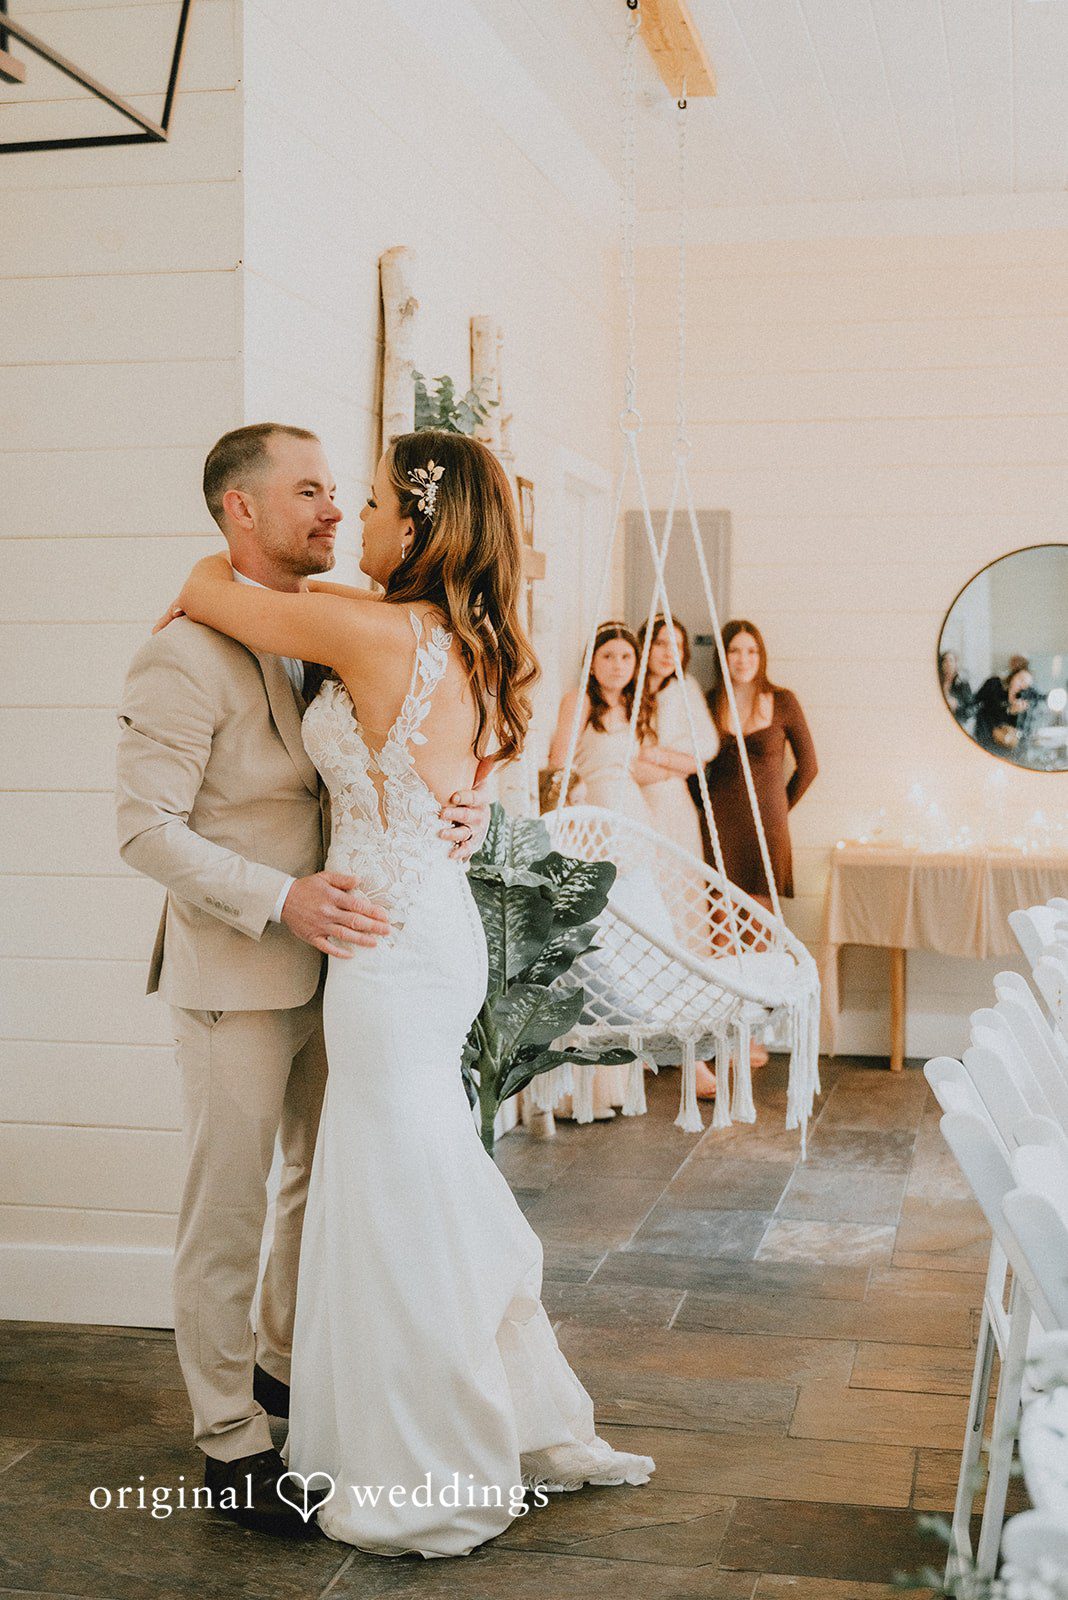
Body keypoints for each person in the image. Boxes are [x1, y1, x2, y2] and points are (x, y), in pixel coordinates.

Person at [155, 428, 654, 1557]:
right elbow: (481, 756)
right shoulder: (473, 641)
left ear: (422, 524)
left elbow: (216, 588)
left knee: (387, 1183)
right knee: (406, 1169)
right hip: (428, 925)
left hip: (381, 951)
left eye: (374, 500)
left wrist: (198, 574)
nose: (357, 518)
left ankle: (422, 1442)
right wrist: (472, 796)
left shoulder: (371, 632)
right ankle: (432, 1393)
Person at [115, 424, 492, 1537]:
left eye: (345, 494)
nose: (336, 511)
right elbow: (143, 830)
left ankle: (284, 1371)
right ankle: (230, 1438)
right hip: (240, 969)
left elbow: (392, 760)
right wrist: (282, 900)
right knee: (228, 1209)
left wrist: (468, 804)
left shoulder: (335, 631)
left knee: (319, 1189)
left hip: (358, 969)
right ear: (242, 509)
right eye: (312, 492)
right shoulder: (182, 653)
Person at [695, 620, 818, 1069]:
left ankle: (752, 1036)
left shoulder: (783, 701)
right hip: (720, 828)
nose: (743, 659)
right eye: (734, 651)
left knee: (759, 936)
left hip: (767, 830)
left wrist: (778, 809)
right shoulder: (709, 702)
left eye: (751, 651)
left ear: (761, 656)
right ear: (722, 657)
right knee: (722, 935)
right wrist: (702, 810)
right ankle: (725, 1034)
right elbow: (694, 767)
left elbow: (809, 767)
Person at [635, 615, 719, 859]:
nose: (668, 653)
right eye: (660, 643)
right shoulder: (629, 689)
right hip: (635, 801)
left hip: (674, 805)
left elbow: (701, 756)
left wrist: (656, 756)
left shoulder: (685, 689)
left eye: (677, 646)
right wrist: (675, 765)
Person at [974, 662, 1036, 755]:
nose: (1022, 686)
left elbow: (1024, 735)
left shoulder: (1025, 706)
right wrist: (1009, 711)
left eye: (1027, 685)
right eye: (1021, 680)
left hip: (1009, 753)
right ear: (1012, 677)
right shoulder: (994, 688)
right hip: (986, 746)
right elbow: (988, 712)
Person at [939, 650, 974, 725]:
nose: (948, 663)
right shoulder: (939, 680)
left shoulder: (962, 682)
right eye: (945, 661)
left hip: (957, 720)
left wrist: (957, 704)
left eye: (951, 661)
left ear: (955, 664)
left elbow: (969, 705)